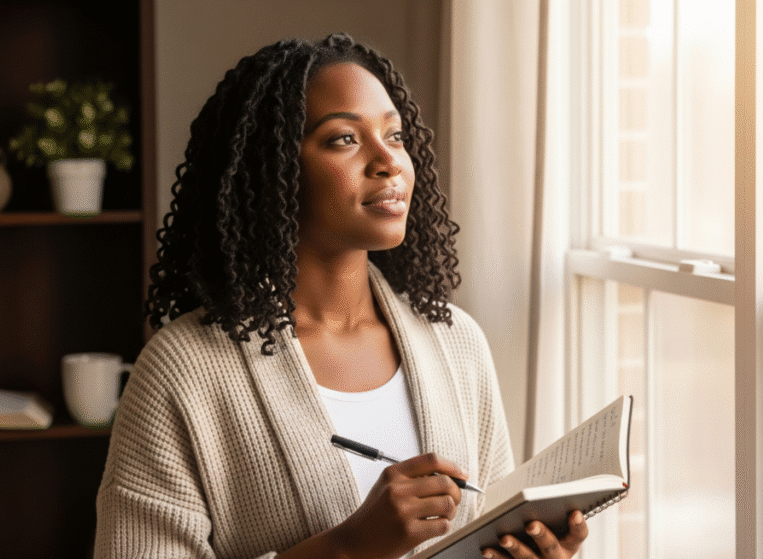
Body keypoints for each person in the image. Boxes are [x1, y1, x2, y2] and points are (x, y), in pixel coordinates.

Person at [93, 33, 588, 559]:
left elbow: (481, 533)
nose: (388, 161)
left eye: (395, 137)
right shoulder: (183, 371)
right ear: (272, 171)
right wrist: (350, 547)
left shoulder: (457, 343)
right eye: (343, 140)